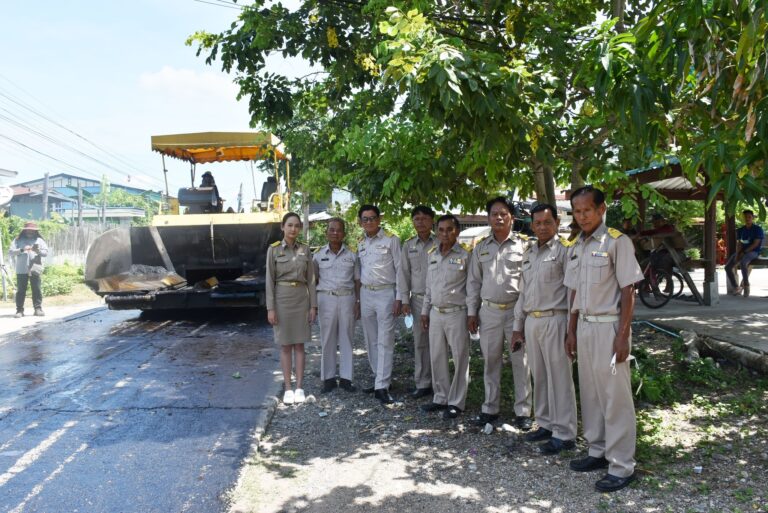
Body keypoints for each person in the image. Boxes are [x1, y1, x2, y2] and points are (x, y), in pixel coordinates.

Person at [564, 185, 643, 493]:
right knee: (591, 394)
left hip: (609, 328)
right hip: (584, 327)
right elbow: (573, 291)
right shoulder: (577, 245)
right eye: (577, 211)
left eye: (587, 210)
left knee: (615, 398)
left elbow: (628, 290)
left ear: (601, 209)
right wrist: (571, 331)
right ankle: (597, 450)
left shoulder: (616, 241)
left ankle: (622, 465)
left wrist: (623, 336)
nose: (582, 216)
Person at [512, 204, 577, 455]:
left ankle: (565, 433)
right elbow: (523, 292)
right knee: (539, 376)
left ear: (557, 223)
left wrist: (571, 330)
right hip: (532, 321)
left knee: (559, 378)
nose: (542, 227)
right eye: (537, 223)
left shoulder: (565, 251)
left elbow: (572, 293)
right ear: (531, 225)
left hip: (555, 319)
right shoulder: (529, 252)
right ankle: (546, 424)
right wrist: (517, 327)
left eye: (547, 222)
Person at [466, 197, 533, 429]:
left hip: (516, 311)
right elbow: (474, 282)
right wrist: (472, 312)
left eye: (504, 213)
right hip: (489, 312)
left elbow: (529, 281)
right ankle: (490, 407)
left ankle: (523, 411)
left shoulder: (524, 246)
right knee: (491, 361)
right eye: (494, 214)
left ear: (511, 217)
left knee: (520, 362)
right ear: (488, 218)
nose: (499, 218)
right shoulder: (481, 247)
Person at [420, 214, 471, 420]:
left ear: (457, 231)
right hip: (435, 313)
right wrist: (425, 311)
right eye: (441, 230)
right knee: (437, 356)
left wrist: (472, 313)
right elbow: (429, 287)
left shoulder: (466, 255)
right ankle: (440, 397)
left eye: (449, 229)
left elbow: (472, 288)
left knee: (460, 358)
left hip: (457, 313)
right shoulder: (432, 254)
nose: (445, 234)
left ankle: (456, 402)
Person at [266, 212, 318, 405]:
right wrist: (271, 308)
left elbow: (311, 280)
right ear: (282, 227)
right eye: (290, 225)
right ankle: (288, 388)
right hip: (282, 300)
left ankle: (300, 387)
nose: (293, 229)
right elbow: (269, 281)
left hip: (301, 300)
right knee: (286, 345)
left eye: (297, 225)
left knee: (300, 345)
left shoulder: (305, 249)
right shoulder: (273, 250)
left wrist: (313, 305)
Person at [357, 204, 402, 405]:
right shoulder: (360, 243)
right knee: (371, 340)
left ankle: (382, 386)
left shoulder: (391, 240)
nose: (369, 222)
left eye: (372, 218)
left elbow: (400, 270)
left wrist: (400, 297)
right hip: (366, 293)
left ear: (379, 219)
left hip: (386, 293)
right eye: (365, 219)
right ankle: (379, 379)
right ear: (360, 222)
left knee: (385, 340)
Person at [313, 218, 360, 393]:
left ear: (344, 234)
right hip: (326, 299)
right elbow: (314, 280)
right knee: (327, 338)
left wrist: (358, 302)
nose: (335, 233)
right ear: (326, 233)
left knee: (347, 337)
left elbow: (357, 280)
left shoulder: (352, 254)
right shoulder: (318, 255)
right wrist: (313, 305)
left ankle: (346, 379)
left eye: (339, 230)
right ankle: (329, 378)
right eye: (331, 230)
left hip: (347, 298)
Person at [398, 205, 437, 399]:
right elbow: (403, 274)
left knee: (439, 343)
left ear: (432, 221)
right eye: (417, 219)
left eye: (424, 218)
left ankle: (440, 384)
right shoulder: (408, 245)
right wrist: (405, 300)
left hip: (439, 301)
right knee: (420, 342)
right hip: (418, 300)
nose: (420, 222)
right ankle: (423, 383)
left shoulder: (440, 242)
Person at [9, 221, 49, 318]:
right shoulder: (17, 240)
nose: (30, 231)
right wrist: (22, 249)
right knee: (21, 290)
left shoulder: (39, 240)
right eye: (28, 230)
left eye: (32, 230)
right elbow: (11, 252)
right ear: (24, 230)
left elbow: (46, 253)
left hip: (35, 268)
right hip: (21, 269)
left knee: (37, 289)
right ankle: (19, 310)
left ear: (35, 231)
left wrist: (38, 251)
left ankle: (38, 309)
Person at [725, 209, 764, 297]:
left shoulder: (758, 229)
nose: (747, 219)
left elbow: (755, 244)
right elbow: (739, 244)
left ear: (752, 218)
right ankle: (736, 287)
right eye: (745, 217)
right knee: (727, 267)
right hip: (742, 251)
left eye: (749, 217)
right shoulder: (741, 230)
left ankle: (746, 285)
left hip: (754, 252)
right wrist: (737, 254)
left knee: (743, 263)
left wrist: (744, 252)